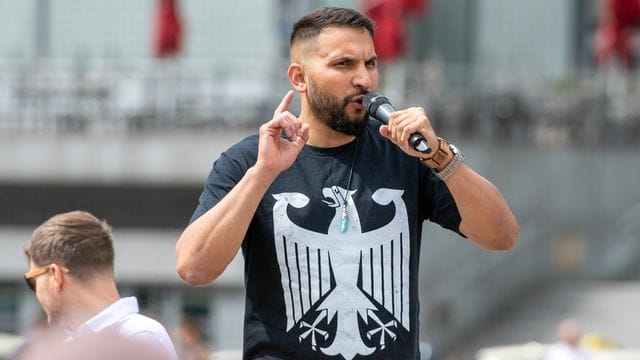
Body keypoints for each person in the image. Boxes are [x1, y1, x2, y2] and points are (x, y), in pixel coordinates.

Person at [176, 7, 519, 359]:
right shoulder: (248, 161)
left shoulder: (405, 155)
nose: (364, 80)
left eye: (370, 64)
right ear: (299, 77)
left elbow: (502, 235)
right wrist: (263, 174)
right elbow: (194, 268)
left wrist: (440, 156)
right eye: (344, 64)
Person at [23, 210, 178, 360]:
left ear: (55, 275)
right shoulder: (138, 336)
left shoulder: (139, 336)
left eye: (33, 281)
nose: (36, 292)